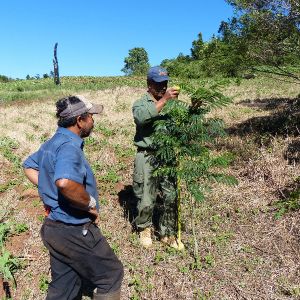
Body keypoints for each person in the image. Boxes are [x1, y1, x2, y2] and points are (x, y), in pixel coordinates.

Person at [23, 95, 123, 300]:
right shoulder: (69, 147)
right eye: (91, 117)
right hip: (74, 230)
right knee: (111, 275)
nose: (93, 121)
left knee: (64, 287)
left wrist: (48, 188)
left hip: (54, 229)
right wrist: (90, 206)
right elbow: (66, 183)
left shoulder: (52, 143)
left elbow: (29, 166)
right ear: (80, 120)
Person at [132, 66, 184, 250]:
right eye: (159, 84)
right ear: (149, 84)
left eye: (165, 83)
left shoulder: (171, 103)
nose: (163, 87)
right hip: (147, 156)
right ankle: (144, 229)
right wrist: (164, 99)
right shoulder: (141, 103)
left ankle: (167, 232)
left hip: (167, 155)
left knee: (170, 195)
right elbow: (142, 118)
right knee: (146, 197)